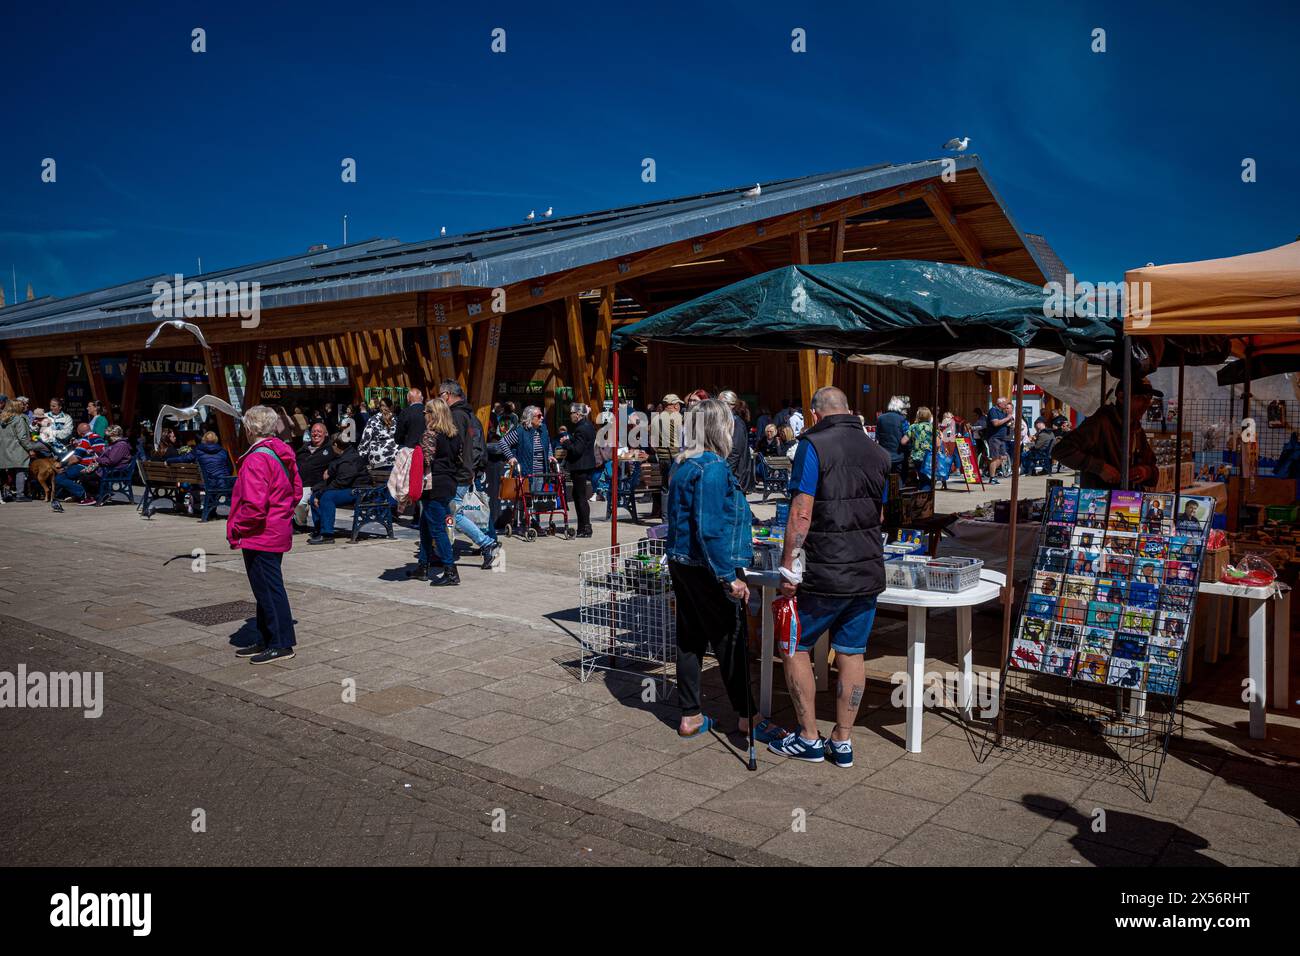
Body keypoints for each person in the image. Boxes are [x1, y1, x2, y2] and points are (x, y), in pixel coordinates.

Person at [773, 386, 890, 767]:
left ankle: (808, 737)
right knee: (852, 652)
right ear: (849, 411)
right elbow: (881, 514)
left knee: (794, 645)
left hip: (825, 571)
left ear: (816, 415)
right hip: (866, 569)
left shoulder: (814, 444)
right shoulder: (877, 451)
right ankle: (842, 740)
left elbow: (801, 513)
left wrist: (789, 566)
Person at [665, 399, 779, 743]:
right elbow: (709, 528)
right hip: (705, 565)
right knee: (730, 639)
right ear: (719, 429)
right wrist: (728, 576)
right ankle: (748, 716)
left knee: (690, 636)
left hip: (682, 561)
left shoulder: (683, 464)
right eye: (728, 424)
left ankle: (690, 715)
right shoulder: (711, 467)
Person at [226, 405, 302, 664]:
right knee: (265, 590)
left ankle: (281, 643)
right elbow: (296, 490)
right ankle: (267, 637)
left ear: (250, 429)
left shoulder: (257, 457)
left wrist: (238, 528)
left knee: (269, 589)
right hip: (275, 529)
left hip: (261, 533)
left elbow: (254, 506)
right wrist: (283, 511)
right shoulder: (281, 452)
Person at [1052, 379, 1158, 490]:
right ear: (1122, 397)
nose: (1146, 405)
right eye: (1140, 398)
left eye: (1149, 399)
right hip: (1101, 500)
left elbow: (1152, 466)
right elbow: (1061, 450)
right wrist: (1100, 468)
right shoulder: (1100, 422)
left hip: (1129, 500)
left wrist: (1146, 471)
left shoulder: (1136, 427)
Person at [437, 380, 500, 569]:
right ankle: (444, 550)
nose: (440, 398)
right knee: (454, 512)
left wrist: (467, 469)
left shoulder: (456, 416)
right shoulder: (469, 416)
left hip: (458, 473)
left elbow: (461, 447)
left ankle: (487, 543)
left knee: (454, 514)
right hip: (465, 471)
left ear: (448, 395)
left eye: (441, 394)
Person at [414, 398, 463, 585]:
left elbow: (426, 461)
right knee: (426, 525)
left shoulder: (429, 434)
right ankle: (423, 566)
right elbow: (458, 459)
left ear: (434, 414)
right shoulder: (454, 434)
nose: (424, 415)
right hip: (449, 483)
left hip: (433, 485)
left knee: (437, 529)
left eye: (426, 412)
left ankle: (450, 572)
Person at [307, 437, 365, 544]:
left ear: (336, 446)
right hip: (346, 488)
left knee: (327, 497)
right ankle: (320, 529)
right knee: (314, 496)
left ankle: (327, 535)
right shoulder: (341, 456)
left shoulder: (350, 459)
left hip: (358, 491)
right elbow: (333, 478)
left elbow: (342, 482)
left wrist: (321, 493)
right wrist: (317, 490)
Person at [560, 402, 597, 537]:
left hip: (580, 466)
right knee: (577, 495)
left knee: (580, 497)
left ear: (578, 414)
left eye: (571, 413)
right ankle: (583, 526)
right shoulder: (587, 426)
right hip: (584, 465)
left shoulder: (581, 428)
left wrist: (566, 442)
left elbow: (577, 450)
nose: (570, 416)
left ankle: (585, 527)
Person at [294, 422, 333, 527]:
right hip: (301, 483)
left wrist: (329, 471)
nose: (316, 434)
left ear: (325, 434)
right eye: (313, 431)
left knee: (300, 500)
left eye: (319, 431)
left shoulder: (330, 449)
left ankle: (303, 526)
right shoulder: (304, 448)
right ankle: (296, 524)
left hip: (318, 485)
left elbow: (337, 465)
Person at [0, 399, 38, 502]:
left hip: (5, 448)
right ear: (16, 407)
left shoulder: (3, 418)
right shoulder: (19, 419)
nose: (24, 407)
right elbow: (22, 437)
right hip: (18, 448)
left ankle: (7, 492)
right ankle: (20, 494)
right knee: (21, 470)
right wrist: (30, 449)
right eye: (21, 405)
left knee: (9, 471)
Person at [716, 390, 750, 484]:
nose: (717, 406)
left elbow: (735, 451)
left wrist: (725, 473)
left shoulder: (736, 423)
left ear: (730, 405)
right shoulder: (729, 421)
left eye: (720, 403)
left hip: (735, 476)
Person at [900, 405, 935, 490]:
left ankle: (922, 495)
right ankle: (925, 498)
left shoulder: (913, 427)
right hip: (929, 457)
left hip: (916, 457)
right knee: (927, 479)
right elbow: (937, 443)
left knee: (921, 477)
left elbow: (903, 441)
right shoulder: (932, 427)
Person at [357, 398, 398, 468]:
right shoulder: (396, 420)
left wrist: (361, 456)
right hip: (394, 459)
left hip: (377, 460)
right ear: (391, 407)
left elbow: (365, 440)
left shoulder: (373, 420)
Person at [875, 396, 908, 477]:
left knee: (885, 479)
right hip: (899, 456)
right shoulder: (902, 419)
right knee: (898, 480)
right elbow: (907, 436)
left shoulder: (880, 418)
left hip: (884, 455)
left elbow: (877, 437)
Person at [985, 396, 1015, 482]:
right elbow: (996, 423)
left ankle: (991, 471)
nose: (1006, 406)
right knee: (995, 457)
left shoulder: (1002, 412)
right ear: (1000, 404)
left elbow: (1007, 422)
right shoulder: (993, 411)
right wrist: (1007, 418)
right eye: (1005, 404)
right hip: (995, 437)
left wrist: (1010, 422)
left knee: (1002, 457)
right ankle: (992, 477)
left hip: (1002, 438)